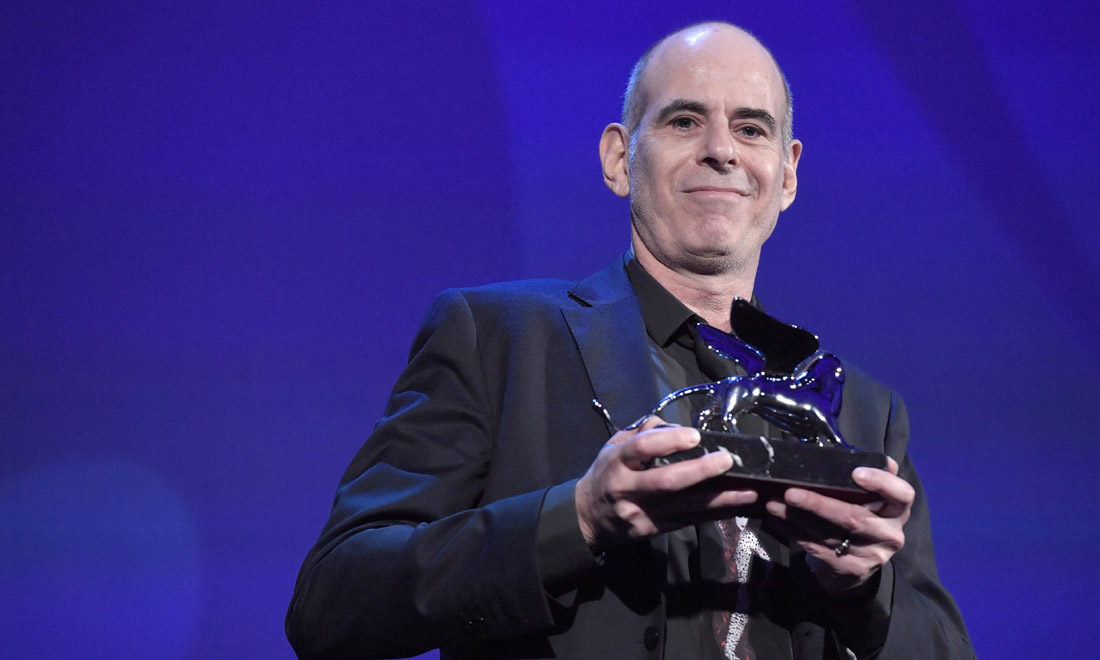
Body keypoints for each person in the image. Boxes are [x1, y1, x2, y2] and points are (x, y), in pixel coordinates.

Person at [286, 22, 974, 660]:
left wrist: (862, 591)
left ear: (787, 174)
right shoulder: (500, 338)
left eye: (751, 128)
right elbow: (332, 601)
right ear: (620, 158)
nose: (722, 150)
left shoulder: (862, 409)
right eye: (684, 121)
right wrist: (577, 518)